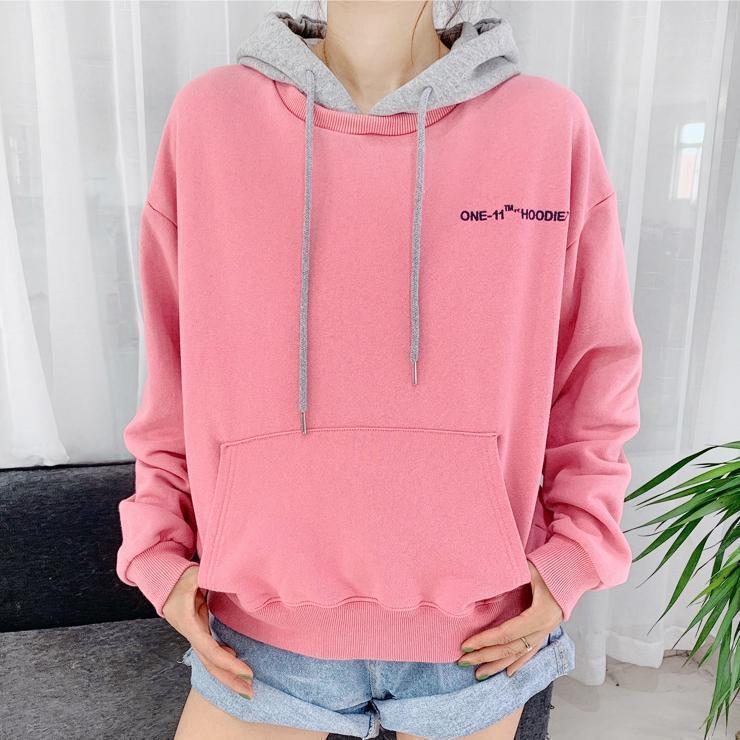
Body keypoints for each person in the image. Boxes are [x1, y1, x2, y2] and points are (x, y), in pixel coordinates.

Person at [116, 2, 643, 738]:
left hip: (477, 636)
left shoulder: (545, 126)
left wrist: (576, 554)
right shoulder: (211, 118)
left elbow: (593, 373)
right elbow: (173, 367)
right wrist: (156, 549)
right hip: (258, 631)